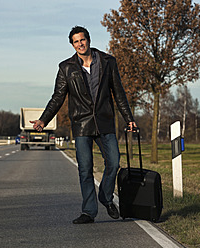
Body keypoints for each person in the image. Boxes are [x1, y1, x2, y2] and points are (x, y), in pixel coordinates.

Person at [30, 26, 137, 224]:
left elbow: (119, 93)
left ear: (88, 40)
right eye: (76, 41)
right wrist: (43, 119)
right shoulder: (66, 67)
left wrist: (128, 117)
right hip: (81, 125)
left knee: (113, 162)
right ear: (72, 45)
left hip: (105, 122)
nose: (80, 44)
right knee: (85, 169)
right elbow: (58, 97)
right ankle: (88, 211)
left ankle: (105, 197)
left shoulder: (107, 61)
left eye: (82, 40)